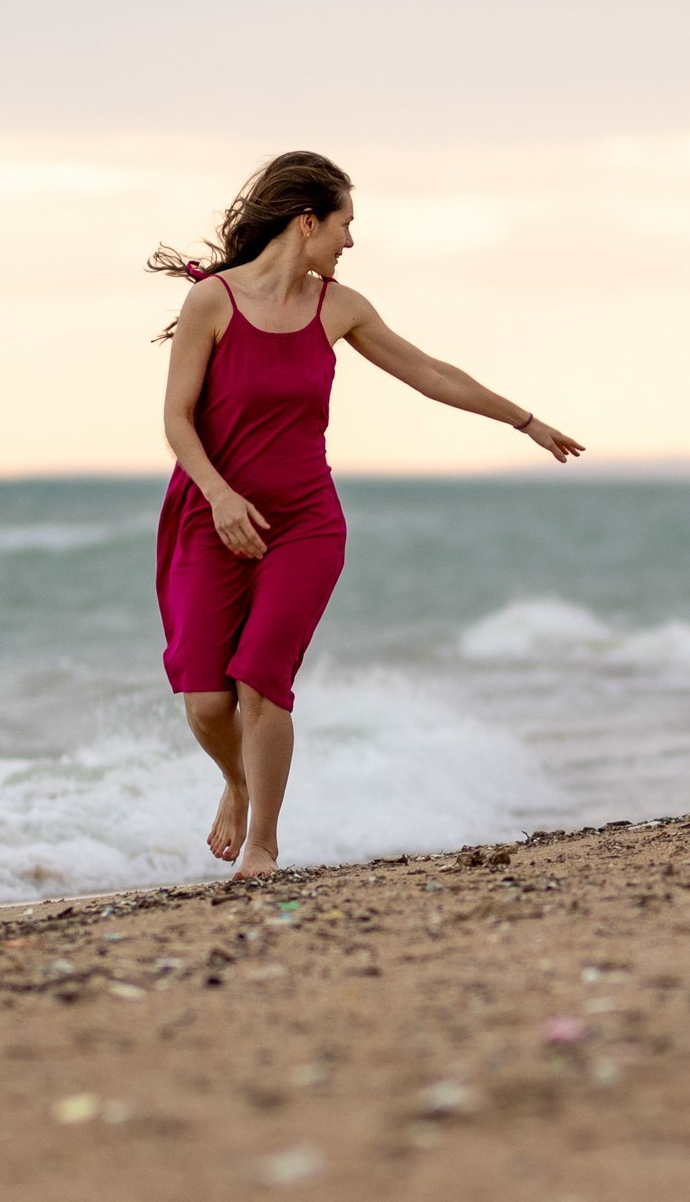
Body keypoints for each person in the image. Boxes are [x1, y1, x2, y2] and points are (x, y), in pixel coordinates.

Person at [148, 152, 582, 878]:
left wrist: (524, 420)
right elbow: (176, 419)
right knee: (204, 704)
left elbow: (430, 372)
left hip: (304, 523)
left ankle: (263, 844)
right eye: (345, 224)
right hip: (211, 514)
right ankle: (236, 778)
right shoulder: (212, 303)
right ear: (307, 221)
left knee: (260, 680)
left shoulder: (338, 308)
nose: (350, 241)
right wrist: (220, 496)